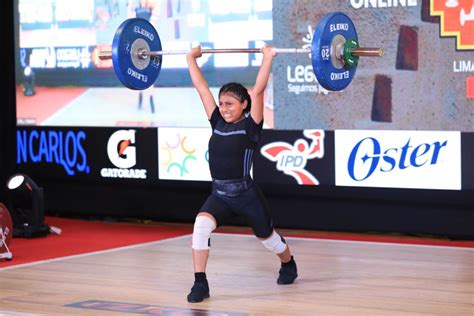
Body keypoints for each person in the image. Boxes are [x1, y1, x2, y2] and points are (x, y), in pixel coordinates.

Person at [185, 45, 298, 303]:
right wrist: (190, 58)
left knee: (269, 239)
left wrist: (267, 58)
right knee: (201, 226)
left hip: (246, 195)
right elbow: (201, 88)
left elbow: (258, 90)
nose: (223, 108)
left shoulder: (251, 128)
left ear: (243, 104)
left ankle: (288, 263)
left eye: (230, 104)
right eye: (222, 103)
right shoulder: (217, 122)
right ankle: (200, 283)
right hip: (220, 195)